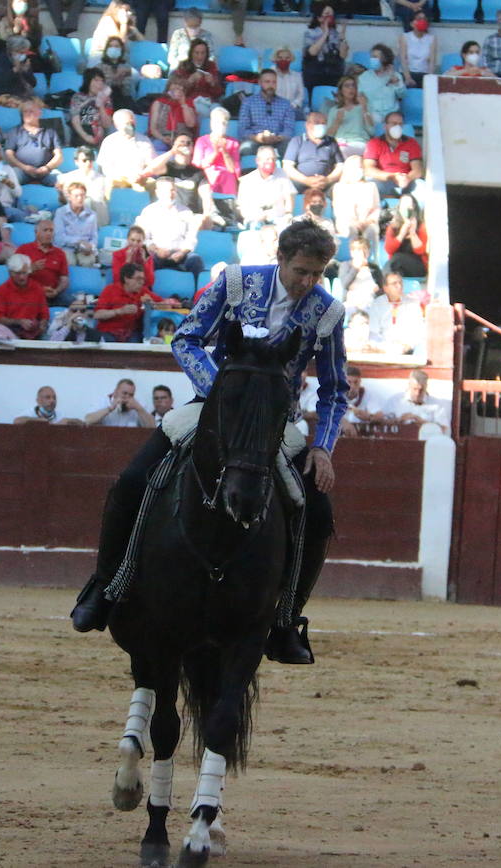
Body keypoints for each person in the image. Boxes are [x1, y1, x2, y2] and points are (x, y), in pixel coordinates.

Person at [71, 219, 348, 667]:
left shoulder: (328, 312)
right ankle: (107, 587)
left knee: (318, 512)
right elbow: (186, 339)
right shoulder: (237, 283)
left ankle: (285, 618)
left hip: (276, 426)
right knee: (132, 480)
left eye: (317, 274)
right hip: (208, 408)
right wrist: (223, 394)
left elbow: (334, 390)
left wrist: (323, 447)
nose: (308, 282)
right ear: (280, 258)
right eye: (301, 271)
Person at [139, 177, 204, 272]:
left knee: (195, 261)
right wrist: (157, 250)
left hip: (180, 254)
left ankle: (197, 287)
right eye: (165, 191)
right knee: (147, 262)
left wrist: (182, 252)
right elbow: (144, 238)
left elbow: (191, 238)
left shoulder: (186, 212)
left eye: (172, 190)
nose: (169, 194)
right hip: (157, 254)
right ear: (157, 192)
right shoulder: (149, 211)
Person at [94, 264, 170, 342]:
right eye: (138, 279)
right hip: (109, 332)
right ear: (126, 279)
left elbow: (167, 305)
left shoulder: (143, 291)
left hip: (132, 333)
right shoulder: (110, 290)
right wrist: (120, 311)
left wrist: (153, 304)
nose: (141, 282)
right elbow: (98, 314)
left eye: (143, 279)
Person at [192, 107, 242, 213]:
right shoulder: (202, 141)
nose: (221, 125)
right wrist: (215, 152)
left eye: (224, 123)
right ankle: (211, 212)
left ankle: (228, 212)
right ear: (211, 123)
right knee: (213, 176)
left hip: (227, 175)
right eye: (218, 122)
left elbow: (233, 169)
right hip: (206, 175)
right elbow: (199, 164)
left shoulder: (233, 142)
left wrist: (224, 151)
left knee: (227, 175)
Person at [4, 98, 65, 186]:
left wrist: (47, 168)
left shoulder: (50, 131)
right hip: (22, 170)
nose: (28, 114)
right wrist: (24, 168)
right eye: (25, 111)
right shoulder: (14, 132)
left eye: (31, 111)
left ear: (39, 113)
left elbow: (59, 156)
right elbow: (8, 155)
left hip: (46, 171)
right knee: (8, 180)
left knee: (63, 182)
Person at [239, 69, 298, 157]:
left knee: (290, 148)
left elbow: (289, 129)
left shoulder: (286, 104)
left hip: (279, 141)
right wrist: (257, 138)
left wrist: (278, 138)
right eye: (267, 82)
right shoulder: (248, 102)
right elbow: (243, 129)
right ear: (260, 83)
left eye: (274, 82)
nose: (271, 85)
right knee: (246, 148)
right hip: (255, 140)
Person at [363, 112, 423, 199]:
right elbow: (368, 169)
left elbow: (418, 170)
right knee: (369, 187)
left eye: (400, 124)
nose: (397, 127)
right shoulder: (374, 143)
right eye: (394, 123)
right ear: (385, 126)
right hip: (383, 180)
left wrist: (407, 178)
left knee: (422, 187)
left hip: (405, 181)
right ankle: (391, 201)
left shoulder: (411, 143)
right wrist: (392, 176)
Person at [283, 113, 343, 195]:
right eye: (317, 123)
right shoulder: (297, 141)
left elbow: (340, 166)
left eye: (323, 123)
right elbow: (287, 167)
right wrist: (306, 180)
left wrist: (328, 180)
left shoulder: (331, 142)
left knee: (341, 188)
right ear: (307, 125)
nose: (321, 126)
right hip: (300, 183)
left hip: (326, 184)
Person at [368, 269, 425, 353]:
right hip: (383, 347)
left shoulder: (413, 304)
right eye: (394, 283)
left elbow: (418, 331)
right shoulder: (377, 304)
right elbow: (374, 332)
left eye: (400, 283)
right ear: (385, 288)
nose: (399, 286)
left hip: (405, 347)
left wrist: (408, 345)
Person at [0, 252, 50, 338]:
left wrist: (42, 324)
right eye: (18, 273)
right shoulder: (3, 290)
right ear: (10, 273)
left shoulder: (37, 288)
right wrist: (19, 322)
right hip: (10, 331)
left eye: (24, 273)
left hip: (33, 331)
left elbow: (44, 314)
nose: (22, 277)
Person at [236, 145, 294, 228]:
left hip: (278, 219)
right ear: (258, 160)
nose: (270, 162)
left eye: (273, 159)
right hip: (255, 220)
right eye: (267, 159)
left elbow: (289, 197)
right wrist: (255, 216)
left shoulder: (282, 174)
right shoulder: (247, 181)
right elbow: (243, 209)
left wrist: (288, 214)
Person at [98, 109, 156, 189]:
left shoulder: (144, 140)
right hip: (117, 180)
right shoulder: (109, 141)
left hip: (140, 179)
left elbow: (152, 164)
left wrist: (142, 175)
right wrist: (125, 177)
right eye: (127, 123)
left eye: (132, 123)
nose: (130, 126)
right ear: (117, 125)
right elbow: (105, 169)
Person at [16, 217, 70, 301]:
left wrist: (56, 291)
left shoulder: (60, 253)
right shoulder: (23, 249)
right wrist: (31, 268)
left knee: (76, 304)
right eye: (45, 230)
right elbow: (14, 275)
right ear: (36, 232)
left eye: (51, 230)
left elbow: (64, 279)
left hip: (52, 293)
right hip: (29, 292)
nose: (49, 233)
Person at [56, 146, 111, 225]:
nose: (88, 163)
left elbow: (99, 201)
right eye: (84, 160)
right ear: (76, 162)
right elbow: (63, 202)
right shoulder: (66, 178)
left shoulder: (102, 179)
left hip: (96, 220)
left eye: (91, 160)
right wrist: (60, 193)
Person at [324, 75, 374, 158]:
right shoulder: (334, 110)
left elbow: (371, 131)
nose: (351, 88)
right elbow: (329, 135)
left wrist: (364, 108)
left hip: (359, 143)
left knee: (341, 151)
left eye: (353, 85)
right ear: (341, 90)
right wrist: (337, 122)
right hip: (340, 143)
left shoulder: (363, 106)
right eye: (347, 86)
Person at [169, 39, 223, 112]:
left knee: (219, 111)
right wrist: (190, 81)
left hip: (209, 101)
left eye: (203, 53)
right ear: (191, 53)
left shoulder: (211, 66)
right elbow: (177, 92)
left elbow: (219, 93)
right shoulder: (183, 66)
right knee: (203, 110)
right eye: (196, 53)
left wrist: (212, 83)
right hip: (191, 102)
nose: (200, 57)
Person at [54, 181, 100, 266]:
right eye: (76, 196)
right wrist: (78, 242)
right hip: (66, 248)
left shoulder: (92, 214)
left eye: (82, 195)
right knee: (69, 261)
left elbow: (94, 236)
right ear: (70, 197)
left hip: (85, 249)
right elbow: (59, 238)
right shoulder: (60, 212)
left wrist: (91, 247)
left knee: (88, 261)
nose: (80, 198)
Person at [357, 43, 404, 124]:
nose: (372, 59)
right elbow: (359, 96)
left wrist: (395, 81)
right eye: (371, 57)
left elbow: (402, 95)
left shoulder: (395, 75)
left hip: (392, 114)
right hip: (372, 114)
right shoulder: (364, 77)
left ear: (384, 59)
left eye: (375, 57)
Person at [69, 69, 113, 149]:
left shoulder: (106, 100)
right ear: (88, 81)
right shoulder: (78, 97)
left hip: (100, 136)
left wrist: (101, 104)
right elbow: (75, 120)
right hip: (82, 134)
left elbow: (107, 124)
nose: (99, 84)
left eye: (102, 81)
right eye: (96, 80)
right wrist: (86, 136)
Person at [85, 377, 157, 425]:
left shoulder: (137, 405)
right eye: (124, 393)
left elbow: (152, 427)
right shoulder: (103, 401)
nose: (127, 397)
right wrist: (110, 408)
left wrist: (139, 409)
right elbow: (88, 420)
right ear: (115, 392)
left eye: (131, 395)